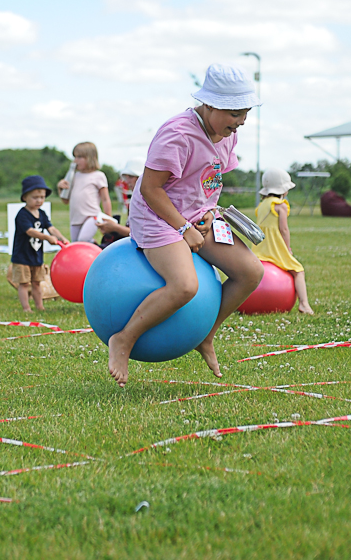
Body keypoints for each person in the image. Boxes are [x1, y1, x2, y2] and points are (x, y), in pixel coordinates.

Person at [108, 64, 265, 387]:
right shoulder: (177, 134)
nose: (241, 122)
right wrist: (183, 228)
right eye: (235, 113)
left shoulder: (226, 134)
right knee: (185, 286)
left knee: (252, 272)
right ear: (210, 104)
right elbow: (151, 190)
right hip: (157, 217)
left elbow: (209, 181)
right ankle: (123, 339)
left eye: (245, 113)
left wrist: (208, 213)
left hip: (196, 218)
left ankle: (204, 335)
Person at [252, 168, 315, 315]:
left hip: (260, 249)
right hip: (274, 248)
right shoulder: (280, 205)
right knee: (298, 270)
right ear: (283, 189)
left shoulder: (261, 205)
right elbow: (284, 230)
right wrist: (287, 249)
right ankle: (304, 304)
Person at [12, 175, 69, 312]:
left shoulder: (42, 214)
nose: (39, 201)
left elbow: (51, 228)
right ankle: (26, 308)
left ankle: (39, 306)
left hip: (36, 256)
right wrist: (47, 238)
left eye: (42, 197)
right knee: (24, 283)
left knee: (37, 282)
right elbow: (30, 232)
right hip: (22, 256)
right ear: (25, 197)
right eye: (35, 197)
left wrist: (61, 238)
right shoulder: (22, 215)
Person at [56, 141, 112, 243]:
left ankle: (93, 244)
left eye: (79, 157)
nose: (75, 161)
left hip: (92, 216)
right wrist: (60, 188)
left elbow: (105, 199)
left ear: (90, 158)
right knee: (76, 244)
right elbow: (65, 201)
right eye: (75, 157)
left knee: (83, 240)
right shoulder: (74, 176)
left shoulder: (98, 176)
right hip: (75, 219)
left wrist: (108, 218)